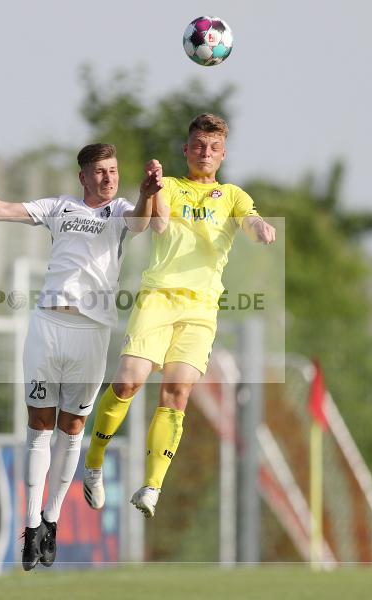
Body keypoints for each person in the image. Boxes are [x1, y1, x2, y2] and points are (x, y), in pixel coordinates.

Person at [0, 144, 162, 570]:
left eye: (113, 171)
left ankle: (52, 520)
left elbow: (140, 220)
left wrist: (148, 191)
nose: (108, 178)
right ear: (83, 177)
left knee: (73, 426)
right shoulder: (60, 207)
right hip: (48, 326)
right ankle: (30, 526)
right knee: (39, 424)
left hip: (92, 333)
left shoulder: (119, 210)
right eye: (100, 172)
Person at [82, 114, 276, 518]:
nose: (205, 153)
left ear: (223, 154)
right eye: (199, 146)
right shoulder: (168, 185)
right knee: (127, 381)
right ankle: (94, 462)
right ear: (186, 150)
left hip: (201, 310)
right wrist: (150, 189)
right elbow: (158, 224)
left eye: (214, 148)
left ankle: (151, 486)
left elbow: (252, 221)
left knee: (177, 393)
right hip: (158, 297)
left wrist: (261, 228)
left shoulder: (234, 196)